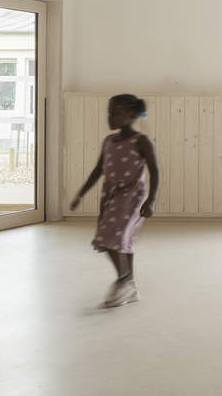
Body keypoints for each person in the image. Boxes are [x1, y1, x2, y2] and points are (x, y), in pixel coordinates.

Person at [70, 94, 159, 307]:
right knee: (123, 241)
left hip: (133, 197)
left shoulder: (141, 141)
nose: (109, 117)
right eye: (109, 112)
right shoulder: (108, 141)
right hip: (111, 196)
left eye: (115, 113)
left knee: (109, 236)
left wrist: (151, 200)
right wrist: (81, 193)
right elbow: (98, 170)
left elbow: (155, 171)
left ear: (131, 115)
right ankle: (130, 287)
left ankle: (124, 280)